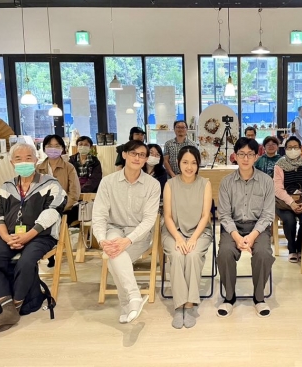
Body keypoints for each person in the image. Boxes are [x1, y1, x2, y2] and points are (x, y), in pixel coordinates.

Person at [0, 143, 67, 332]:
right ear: (12, 163)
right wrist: (6, 237)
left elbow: (53, 212)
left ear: (36, 160)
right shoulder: (7, 186)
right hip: (10, 236)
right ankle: (7, 307)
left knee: (25, 262)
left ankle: (17, 305)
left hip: (40, 236)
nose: (24, 162)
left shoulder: (50, 184)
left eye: (28, 158)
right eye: (18, 159)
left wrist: (28, 235)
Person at [92, 140, 161, 323]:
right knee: (113, 249)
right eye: (133, 153)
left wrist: (128, 240)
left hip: (138, 235)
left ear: (146, 159)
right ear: (124, 154)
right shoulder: (108, 182)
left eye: (142, 155)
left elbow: (148, 220)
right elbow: (99, 215)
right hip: (113, 229)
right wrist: (102, 240)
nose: (137, 158)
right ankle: (134, 297)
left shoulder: (152, 185)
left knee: (114, 257)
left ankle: (126, 303)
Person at [217, 137, 275, 318]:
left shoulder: (266, 181)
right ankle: (229, 297)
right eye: (241, 154)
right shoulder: (226, 182)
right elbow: (224, 215)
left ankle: (259, 297)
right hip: (232, 227)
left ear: (257, 156)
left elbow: (268, 215)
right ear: (235, 156)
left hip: (258, 228)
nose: (245, 158)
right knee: (225, 253)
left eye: (250, 154)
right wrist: (237, 237)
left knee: (264, 253)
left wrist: (252, 236)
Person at [162, 146, 213, 329]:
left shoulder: (205, 184)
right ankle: (179, 305)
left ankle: (189, 304)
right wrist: (178, 238)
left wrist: (192, 239)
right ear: (178, 163)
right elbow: (167, 216)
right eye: (185, 162)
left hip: (199, 231)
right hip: (173, 231)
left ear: (198, 164)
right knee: (177, 255)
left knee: (192, 255)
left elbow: (205, 216)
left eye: (193, 163)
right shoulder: (170, 184)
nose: (189, 167)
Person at [274, 136, 302, 262]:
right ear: (285, 149)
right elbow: (277, 188)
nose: (292, 150)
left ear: (300, 149)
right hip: (284, 203)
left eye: (295, 147)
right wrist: (291, 203)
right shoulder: (279, 165)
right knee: (289, 220)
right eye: (289, 147)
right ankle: (292, 249)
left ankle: (301, 247)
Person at [36, 134, 80, 212]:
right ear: (44, 149)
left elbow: (74, 193)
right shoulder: (38, 169)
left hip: (65, 210)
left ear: (62, 148)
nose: (53, 149)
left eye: (57, 146)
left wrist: (60, 208)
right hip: (42, 211)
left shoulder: (69, 167)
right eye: (50, 146)